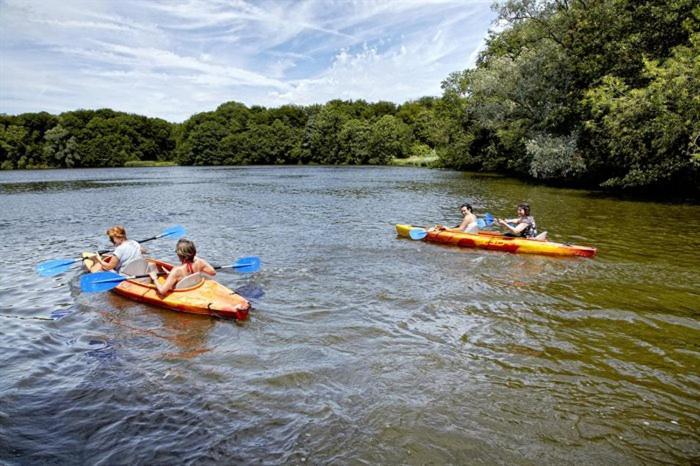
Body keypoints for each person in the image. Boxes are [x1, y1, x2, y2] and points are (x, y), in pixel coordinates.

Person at [149, 238, 216, 296]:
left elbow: (162, 292)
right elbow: (213, 272)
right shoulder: (200, 262)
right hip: (191, 287)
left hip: (181, 292)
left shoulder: (176, 271)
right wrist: (194, 257)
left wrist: (154, 278)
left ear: (179, 254)